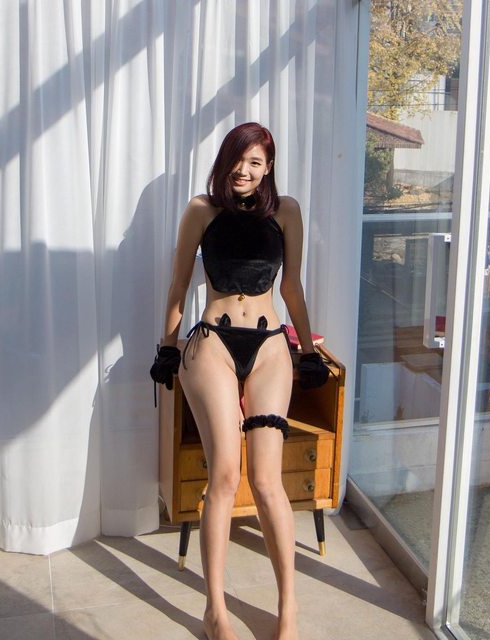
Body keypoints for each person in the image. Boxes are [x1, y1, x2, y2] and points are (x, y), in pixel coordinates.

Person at [151, 122, 329, 640]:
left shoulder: (286, 211)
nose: (245, 170)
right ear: (224, 160)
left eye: (255, 162)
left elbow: (291, 286)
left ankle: (288, 610)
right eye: (238, 159)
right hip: (212, 343)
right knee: (226, 475)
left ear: (268, 167)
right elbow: (178, 285)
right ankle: (216, 611)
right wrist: (167, 346)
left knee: (268, 480)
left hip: (270, 345)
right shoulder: (201, 210)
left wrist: (309, 351)